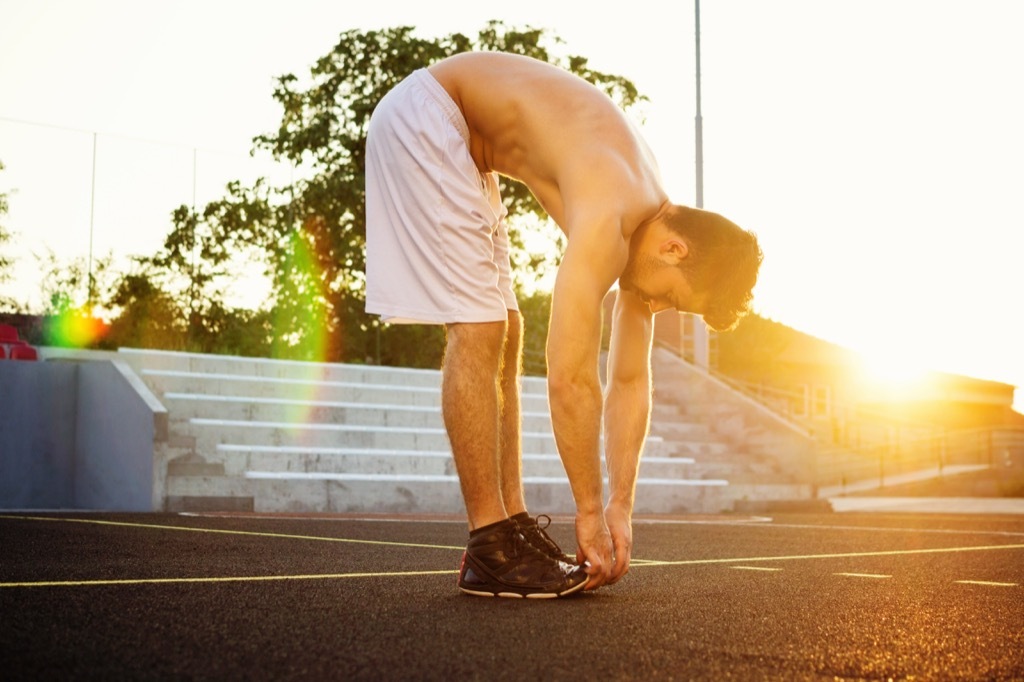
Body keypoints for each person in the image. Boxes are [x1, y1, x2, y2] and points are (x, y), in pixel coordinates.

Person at [364, 51, 762, 598]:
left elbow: (629, 381)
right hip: (429, 116)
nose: (657, 306)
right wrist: (589, 512)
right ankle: (489, 543)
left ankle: (512, 527)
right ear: (675, 249)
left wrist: (620, 506)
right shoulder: (610, 214)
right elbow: (569, 377)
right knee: (479, 328)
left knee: (506, 330)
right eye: (673, 298)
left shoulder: (647, 221)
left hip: (467, 149)